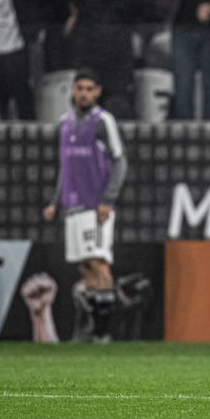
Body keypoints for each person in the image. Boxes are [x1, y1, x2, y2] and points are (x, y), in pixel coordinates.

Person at [43, 72, 128, 343]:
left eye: (89, 89)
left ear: (98, 91)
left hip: (95, 205)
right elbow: (65, 168)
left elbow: (120, 161)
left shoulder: (103, 121)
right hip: (72, 205)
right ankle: (94, 328)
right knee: (85, 266)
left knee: (99, 262)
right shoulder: (64, 124)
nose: (83, 93)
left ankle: (104, 332)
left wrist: (107, 199)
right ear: (72, 90)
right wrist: (55, 202)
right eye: (79, 88)